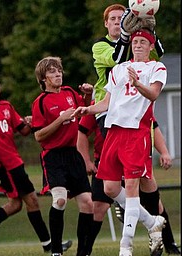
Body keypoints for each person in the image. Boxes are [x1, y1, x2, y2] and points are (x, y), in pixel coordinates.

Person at [91, 4, 180, 255]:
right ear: (107, 24)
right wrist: (129, 37)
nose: (120, 22)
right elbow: (119, 58)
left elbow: (154, 53)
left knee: (148, 190)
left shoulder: (151, 62)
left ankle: (156, 241)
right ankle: (153, 225)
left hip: (137, 124)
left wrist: (147, 25)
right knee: (117, 187)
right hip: (113, 118)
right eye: (115, 19)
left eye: (123, 17)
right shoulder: (103, 48)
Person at [74, 29, 167, 256]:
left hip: (136, 133)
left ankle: (125, 246)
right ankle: (151, 222)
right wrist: (88, 108)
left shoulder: (156, 68)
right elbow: (106, 102)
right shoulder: (118, 69)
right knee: (110, 188)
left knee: (133, 188)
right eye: (135, 41)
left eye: (143, 42)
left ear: (151, 46)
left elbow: (153, 94)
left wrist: (138, 84)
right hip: (113, 132)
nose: (137, 45)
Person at [0, 76, 72, 256]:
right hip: (4, 165)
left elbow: (24, 131)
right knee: (32, 201)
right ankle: (48, 245)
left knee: (15, 204)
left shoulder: (7, 107)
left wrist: (29, 121)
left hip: (15, 161)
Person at [77, 103, 178, 255]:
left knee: (153, 201)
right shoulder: (102, 99)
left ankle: (167, 244)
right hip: (107, 156)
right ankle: (85, 251)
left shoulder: (137, 98)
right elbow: (82, 131)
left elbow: (153, 124)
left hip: (134, 153)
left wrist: (164, 152)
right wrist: (86, 160)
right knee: (102, 202)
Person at [31, 56, 94, 256]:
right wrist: (60, 119)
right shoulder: (40, 102)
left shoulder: (68, 92)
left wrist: (87, 95)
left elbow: (81, 112)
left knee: (88, 203)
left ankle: (82, 252)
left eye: (59, 70)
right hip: (53, 157)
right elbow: (39, 135)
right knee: (60, 200)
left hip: (73, 154)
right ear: (43, 78)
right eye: (51, 71)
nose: (57, 74)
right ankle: (56, 252)